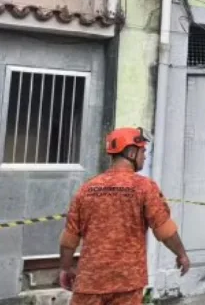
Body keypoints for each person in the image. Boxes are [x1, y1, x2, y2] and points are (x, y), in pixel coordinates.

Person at [59, 127, 190, 305]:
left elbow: (69, 237)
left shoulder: (86, 189)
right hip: (127, 283)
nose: (145, 156)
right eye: (143, 151)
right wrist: (181, 254)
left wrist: (65, 268)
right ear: (130, 152)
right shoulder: (144, 187)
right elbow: (164, 229)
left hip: (90, 282)